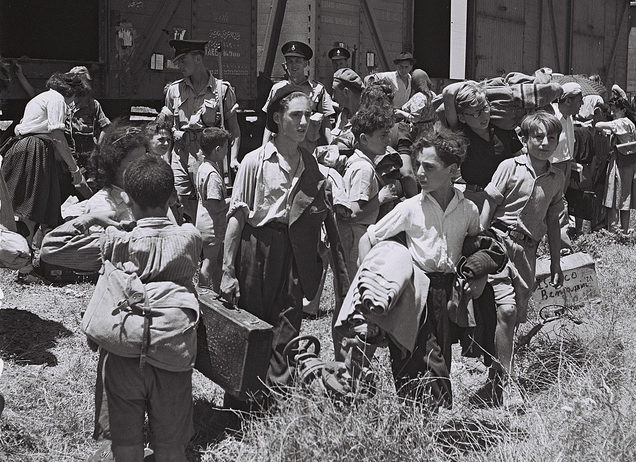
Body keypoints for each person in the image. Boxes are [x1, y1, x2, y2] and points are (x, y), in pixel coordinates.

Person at [220, 84, 348, 409]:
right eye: (296, 115)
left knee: (287, 326)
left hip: (293, 253)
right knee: (251, 325)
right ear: (278, 118)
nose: (305, 122)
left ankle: (277, 402)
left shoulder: (311, 164)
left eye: (308, 115)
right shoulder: (255, 162)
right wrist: (227, 270)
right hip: (257, 249)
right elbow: (236, 218)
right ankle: (241, 405)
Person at [356, 127, 479, 408]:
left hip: (447, 292)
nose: (420, 172)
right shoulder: (409, 208)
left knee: (441, 354)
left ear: (452, 170)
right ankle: (424, 412)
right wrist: (367, 283)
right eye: (418, 164)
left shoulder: (468, 209)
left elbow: (475, 244)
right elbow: (368, 239)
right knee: (414, 353)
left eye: (429, 166)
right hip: (414, 290)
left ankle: (422, 422)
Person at [95, 155, 202, 461]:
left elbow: (55, 246)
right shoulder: (189, 238)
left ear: (126, 198)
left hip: (125, 346)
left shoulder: (116, 240)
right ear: (171, 196)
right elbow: (181, 231)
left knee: (126, 442)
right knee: (170, 444)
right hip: (172, 348)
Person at [480, 111, 564, 407]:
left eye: (551, 138)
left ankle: (495, 373)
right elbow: (489, 205)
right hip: (499, 244)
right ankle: (507, 383)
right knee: (506, 311)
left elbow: (553, 222)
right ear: (525, 139)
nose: (544, 143)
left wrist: (555, 262)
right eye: (538, 137)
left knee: (514, 318)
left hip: (528, 252)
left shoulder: (556, 178)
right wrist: (479, 242)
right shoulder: (509, 167)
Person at [39, 123, 148, 275]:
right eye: (133, 163)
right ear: (114, 165)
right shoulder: (103, 203)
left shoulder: (145, 194)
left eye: (144, 161)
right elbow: (101, 250)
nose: (141, 168)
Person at [1, 72, 89, 243]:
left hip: (28, 147)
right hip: (35, 150)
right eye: (74, 98)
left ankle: (26, 257)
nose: (73, 103)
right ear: (71, 92)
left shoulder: (43, 97)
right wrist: (75, 170)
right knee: (31, 207)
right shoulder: (57, 99)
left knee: (35, 205)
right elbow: (57, 136)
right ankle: (23, 259)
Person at [159, 39, 240, 221]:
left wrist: (233, 158)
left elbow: (234, 130)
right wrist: (166, 158)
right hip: (181, 155)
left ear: (197, 59)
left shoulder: (222, 90)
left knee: (209, 204)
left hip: (208, 155)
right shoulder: (173, 90)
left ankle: (207, 243)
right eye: (177, 61)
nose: (179, 65)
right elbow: (166, 130)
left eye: (183, 60)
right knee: (176, 201)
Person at [336, 105, 397, 276]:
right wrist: (380, 199)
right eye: (382, 135)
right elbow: (353, 214)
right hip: (356, 236)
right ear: (364, 139)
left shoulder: (358, 162)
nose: (388, 140)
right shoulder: (364, 169)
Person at [442, 80, 523, 211]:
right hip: (476, 198)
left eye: (485, 108)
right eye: (475, 113)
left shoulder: (504, 129)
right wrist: (474, 84)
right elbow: (448, 92)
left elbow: (519, 160)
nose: (483, 116)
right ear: (462, 118)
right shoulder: (461, 134)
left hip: (506, 196)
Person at [262, 41, 335, 154]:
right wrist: (264, 149)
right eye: (290, 62)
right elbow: (269, 121)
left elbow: (326, 122)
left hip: (308, 150)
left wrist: (331, 146)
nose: (293, 65)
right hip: (282, 148)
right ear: (285, 64)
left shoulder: (318, 90)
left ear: (306, 64)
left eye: (298, 61)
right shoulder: (277, 89)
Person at [196, 127, 231, 291]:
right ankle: (203, 292)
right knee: (209, 261)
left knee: (216, 261)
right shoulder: (212, 175)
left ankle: (216, 291)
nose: (226, 151)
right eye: (225, 147)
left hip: (203, 222)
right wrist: (232, 201)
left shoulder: (203, 167)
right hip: (211, 227)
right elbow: (214, 205)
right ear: (218, 150)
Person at [596, 97, 636, 234]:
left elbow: (598, 125)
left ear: (623, 110)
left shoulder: (622, 122)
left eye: (614, 111)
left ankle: (613, 230)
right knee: (626, 196)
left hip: (620, 161)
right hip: (629, 162)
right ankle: (623, 230)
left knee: (613, 194)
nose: (612, 114)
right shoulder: (629, 123)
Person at [551, 82, 583, 250]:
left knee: (560, 204)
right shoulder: (552, 117)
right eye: (579, 100)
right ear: (568, 101)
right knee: (554, 205)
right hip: (552, 167)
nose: (582, 105)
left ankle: (558, 241)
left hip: (565, 165)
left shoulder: (569, 118)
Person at [65, 66, 111, 168]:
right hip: (69, 152)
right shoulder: (65, 103)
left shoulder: (93, 104)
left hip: (88, 152)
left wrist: (98, 147)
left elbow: (106, 126)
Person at [399, 69, 437, 134]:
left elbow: (415, 118)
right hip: (430, 130)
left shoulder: (419, 97)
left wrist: (401, 112)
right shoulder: (433, 94)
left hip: (419, 132)